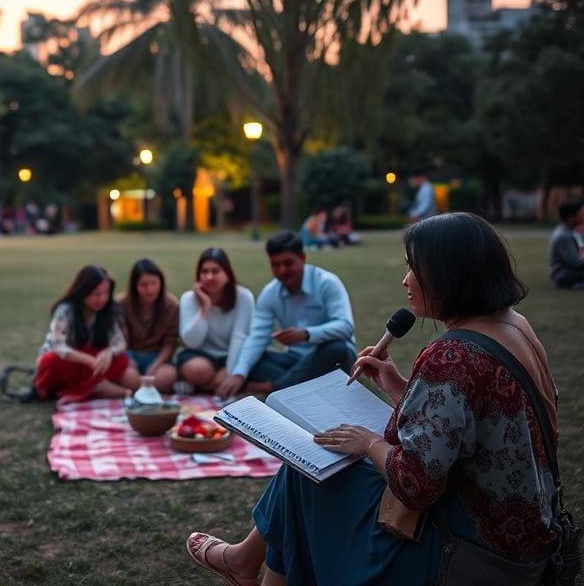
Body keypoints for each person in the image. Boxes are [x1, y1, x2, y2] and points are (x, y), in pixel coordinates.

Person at [186, 213, 559, 586]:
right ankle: (244, 563)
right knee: (311, 469)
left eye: (414, 268)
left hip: (468, 554)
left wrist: (368, 442)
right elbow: (466, 428)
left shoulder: (453, 355)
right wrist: (399, 387)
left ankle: (243, 562)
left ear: (448, 273)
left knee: (309, 475)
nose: (406, 280)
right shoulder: (515, 326)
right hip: (525, 546)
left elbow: (415, 484)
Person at [217, 230, 356, 399]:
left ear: (303, 258)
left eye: (288, 263)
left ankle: (274, 388)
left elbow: (345, 327)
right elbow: (257, 337)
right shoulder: (270, 292)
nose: (282, 270)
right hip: (295, 361)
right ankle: (299, 388)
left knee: (337, 349)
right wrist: (239, 375)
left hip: (329, 360)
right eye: (276, 265)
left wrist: (306, 334)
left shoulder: (327, 283)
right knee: (252, 358)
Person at [33, 265, 139, 404]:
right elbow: (58, 347)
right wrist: (89, 360)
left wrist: (108, 352)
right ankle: (94, 388)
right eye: (96, 294)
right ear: (82, 291)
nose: (102, 299)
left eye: (106, 293)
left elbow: (119, 343)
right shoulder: (65, 310)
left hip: (92, 365)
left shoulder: (109, 310)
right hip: (68, 362)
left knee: (122, 361)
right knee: (50, 360)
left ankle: (89, 389)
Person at [178, 247, 255, 396]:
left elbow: (240, 338)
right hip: (200, 355)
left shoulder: (244, 297)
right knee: (197, 370)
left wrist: (229, 371)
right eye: (204, 272)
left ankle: (205, 387)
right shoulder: (189, 299)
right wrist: (205, 307)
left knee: (255, 368)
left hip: (232, 355)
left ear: (227, 274)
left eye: (215, 271)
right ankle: (218, 385)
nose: (209, 277)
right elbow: (191, 342)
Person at [116, 258, 180, 393]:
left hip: (158, 356)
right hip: (130, 354)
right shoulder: (121, 304)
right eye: (144, 285)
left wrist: (156, 365)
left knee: (168, 375)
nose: (150, 290)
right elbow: (121, 342)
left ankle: (140, 390)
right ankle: (144, 390)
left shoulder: (171, 305)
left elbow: (171, 342)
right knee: (127, 375)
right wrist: (130, 363)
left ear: (161, 283)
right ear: (134, 286)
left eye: (154, 283)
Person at [548, 199, 584, 289]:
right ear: (571, 218)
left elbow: (581, 252)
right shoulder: (564, 236)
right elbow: (574, 262)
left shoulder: (571, 230)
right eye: (582, 214)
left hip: (569, 270)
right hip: (562, 274)